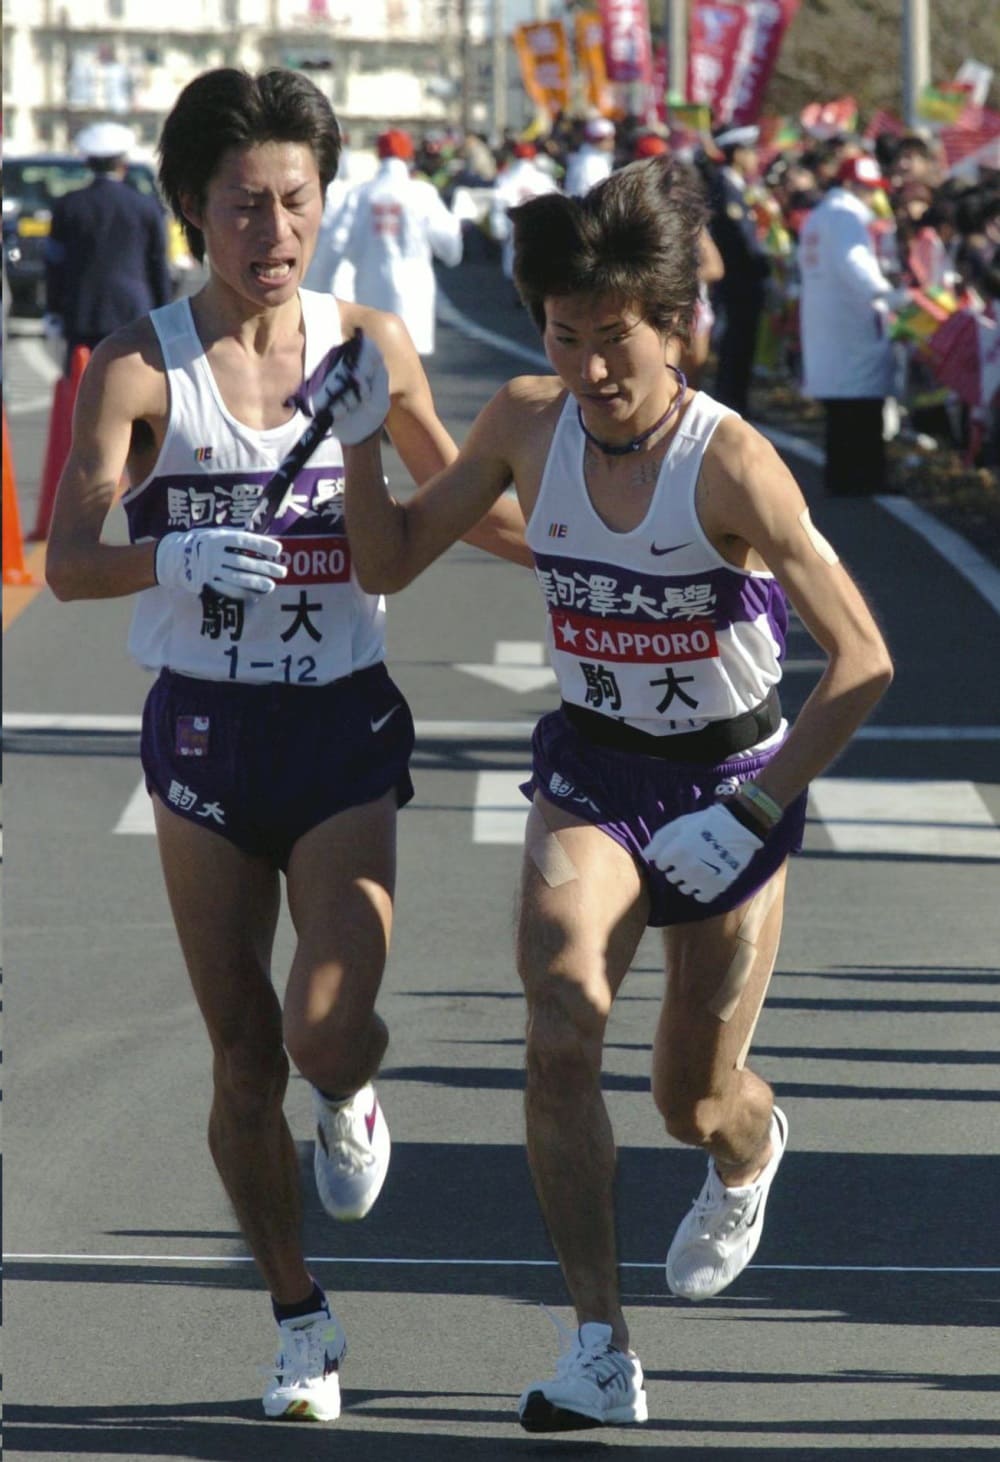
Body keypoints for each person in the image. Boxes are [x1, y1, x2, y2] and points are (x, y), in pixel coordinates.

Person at [325, 157, 894, 1431]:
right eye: (563, 336)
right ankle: (597, 1344)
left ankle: (748, 1149)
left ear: (676, 325)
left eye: (615, 340)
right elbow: (391, 561)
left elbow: (863, 662)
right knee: (559, 1015)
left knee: (686, 1093)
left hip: (732, 781)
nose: (589, 369)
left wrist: (754, 810)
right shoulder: (526, 423)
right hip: (592, 770)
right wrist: (365, 447)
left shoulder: (732, 465)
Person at [44, 66, 528, 1425]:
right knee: (243, 1057)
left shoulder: (367, 339)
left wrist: (609, 555)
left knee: (324, 1031)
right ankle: (299, 1313)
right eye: (246, 205)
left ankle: (354, 1094)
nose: (275, 231)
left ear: (325, 202)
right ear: (191, 206)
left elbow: (460, 496)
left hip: (339, 719)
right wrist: (174, 545)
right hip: (200, 729)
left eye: (297, 202)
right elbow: (69, 558)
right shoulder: (144, 363)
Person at [798, 152, 906, 496]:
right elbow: (855, 264)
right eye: (866, 188)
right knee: (862, 407)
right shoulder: (844, 217)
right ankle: (866, 480)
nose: (871, 195)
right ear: (849, 185)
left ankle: (842, 479)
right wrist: (888, 295)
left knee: (842, 411)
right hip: (850, 322)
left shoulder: (819, 216)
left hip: (827, 321)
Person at [321, 127, 463, 356]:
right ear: (408, 156)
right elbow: (450, 246)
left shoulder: (361, 194)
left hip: (371, 285)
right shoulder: (422, 193)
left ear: (379, 155)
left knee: (374, 358)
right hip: (415, 287)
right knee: (410, 362)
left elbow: (337, 243)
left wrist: (324, 287)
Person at [44, 121, 172, 372]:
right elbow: (158, 265)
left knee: (82, 388)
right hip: (134, 312)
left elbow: (54, 264)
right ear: (123, 164)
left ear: (88, 163)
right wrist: (164, 311)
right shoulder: (145, 207)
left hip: (81, 312)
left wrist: (53, 309)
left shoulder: (68, 206)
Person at [707, 124, 772, 417]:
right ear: (737, 154)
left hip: (744, 280)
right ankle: (732, 402)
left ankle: (736, 399)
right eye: (750, 152)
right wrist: (764, 267)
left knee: (742, 343)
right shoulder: (726, 188)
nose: (754, 158)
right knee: (737, 342)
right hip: (739, 280)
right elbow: (740, 239)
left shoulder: (738, 186)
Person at [490, 140, 559, 287]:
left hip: (514, 225)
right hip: (539, 225)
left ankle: (518, 290)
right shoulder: (544, 179)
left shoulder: (506, 177)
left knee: (513, 259)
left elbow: (498, 204)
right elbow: (555, 201)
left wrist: (498, 230)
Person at [563, 116, 616, 198]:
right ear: (595, 140)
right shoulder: (588, 163)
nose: (612, 142)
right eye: (607, 139)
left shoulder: (599, 159)